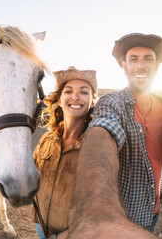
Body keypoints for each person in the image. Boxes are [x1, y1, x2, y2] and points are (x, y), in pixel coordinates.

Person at [68, 33, 162, 234]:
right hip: (121, 216)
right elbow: (102, 133)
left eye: (148, 58)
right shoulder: (112, 103)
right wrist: (99, 209)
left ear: (157, 66)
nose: (141, 65)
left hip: (153, 210)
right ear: (124, 66)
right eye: (133, 59)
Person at [31, 66, 98, 239]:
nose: (75, 96)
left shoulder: (96, 146)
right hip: (41, 225)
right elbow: (31, 177)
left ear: (92, 101)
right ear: (59, 100)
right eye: (68, 91)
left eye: (84, 92)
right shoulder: (46, 140)